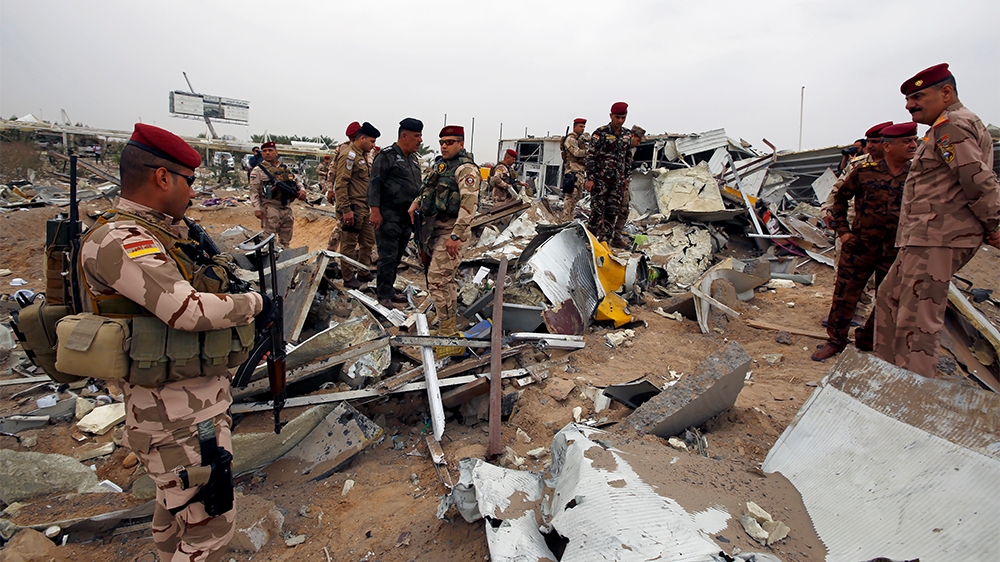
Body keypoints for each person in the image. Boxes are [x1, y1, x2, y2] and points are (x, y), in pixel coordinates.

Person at [79, 123, 264, 561]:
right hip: (174, 414)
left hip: (186, 405)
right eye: (189, 182)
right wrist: (253, 302)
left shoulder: (161, 232)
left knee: (177, 510)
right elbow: (188, 309)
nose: (193, 194)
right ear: (163, 177)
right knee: (211, 526)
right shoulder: (124, 239)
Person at [875, 63, 1000, 377]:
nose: (909, 105)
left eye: (918, 96)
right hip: (924, 237)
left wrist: (995, 225)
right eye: (908, 98)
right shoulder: (947, 126)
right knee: (889, 298)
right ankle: (886, 375)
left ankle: (910, 392)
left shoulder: (952, 125)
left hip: (938, 238)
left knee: (917, 320)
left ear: (946, 92)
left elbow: (977, 179)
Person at [812, 122, 917, 361]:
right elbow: (838, 200)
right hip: (860, 247)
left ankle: (867, 339)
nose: (913, 145)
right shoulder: (864, 172)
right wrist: (843, 232)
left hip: (895, 250)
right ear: (889, 147)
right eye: (907, 141)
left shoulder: (918, 176)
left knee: (888, 300)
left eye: (914, 140)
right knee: (844, 296)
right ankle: (835, 341)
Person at [407, 125, 479, 354]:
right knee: (441, 281)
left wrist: (456, 235)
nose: (444, 146)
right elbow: (428, 187)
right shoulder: (442, 166)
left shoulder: (466, 170)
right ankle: (446, 327)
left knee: (438, 279)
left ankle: (447, 336)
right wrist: (417, 201)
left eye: (449, 142)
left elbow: (469, 206)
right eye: (442, 142)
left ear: (461, 144)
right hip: (433, 228)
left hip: (452, 230)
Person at [368, 118, 423, 308]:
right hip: (387, 217)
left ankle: (389, 290)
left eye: (420, 135)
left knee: (397, 257)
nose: (420, 140)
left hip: (405, 219)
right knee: (387, 257)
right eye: (417, 136)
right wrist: (374, 211)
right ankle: (383, 294)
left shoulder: (414, 160)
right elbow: (375, 184)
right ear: (404, 136)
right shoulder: (386, 156)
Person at [335, 122, 380, 289]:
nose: (373, 145)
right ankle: (348, 277)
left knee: (368, 241)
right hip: (352, 208)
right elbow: (341, 184)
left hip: (364, 207)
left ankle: (363, 271)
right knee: (348, 244)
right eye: (372, 141)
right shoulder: (349, 155)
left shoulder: (361, 155)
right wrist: (346, 210)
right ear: (362, 138)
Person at [585, 102, 634, 243]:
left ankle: (605, 242)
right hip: (601, 181)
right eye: (617, 117)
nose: (620, 120)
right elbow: (590, 156)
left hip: (617, 182)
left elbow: (628, 157)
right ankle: (590, 241)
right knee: (596, 212)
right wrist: (590, 178)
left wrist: (626, 178)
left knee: (612, 213)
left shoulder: (627, 135)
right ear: (611, 116)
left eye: (623, 117)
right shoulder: (600, 133)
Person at [249, 141, 306, 249]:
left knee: (286, 239)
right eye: (264, 151)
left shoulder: (286, 169)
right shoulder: (258, 171)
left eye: (270, 150)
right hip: (269, 207)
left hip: (286, 207)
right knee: (269, 239)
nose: (267, 153)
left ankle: (284, 257)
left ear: (276, 152)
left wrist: (302, 191)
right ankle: (271, 260)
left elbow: (298, 182)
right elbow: (254, 191)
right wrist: (257, 208)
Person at [326, 122, 361, 254]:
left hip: (362, 196)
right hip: (345, 193)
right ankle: (330, 254)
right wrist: (330, 189)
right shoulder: (343, 148)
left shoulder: (371, 149)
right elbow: (333, 169)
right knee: (341, 226)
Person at [611, 125, 645, 247]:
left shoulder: (628, 151)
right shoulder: (618, 147)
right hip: (612, 184)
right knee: (609, 211)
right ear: (632, 136)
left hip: (623, 185)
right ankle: (602, 237)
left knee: (623, 211)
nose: (639, 143)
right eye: (638, 140)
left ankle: (615, 237)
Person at [560, 118, 588, 221]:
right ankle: (566, 218)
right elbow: (576, 153)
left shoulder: (580, 140)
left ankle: (570, 217)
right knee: (571, 195)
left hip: (580, 170)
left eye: (584, 127)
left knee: (577, 197)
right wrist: (588, 152)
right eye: (581, 126)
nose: (583, 129)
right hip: (573, 170)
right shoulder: (571, 139)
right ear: (575, 126)